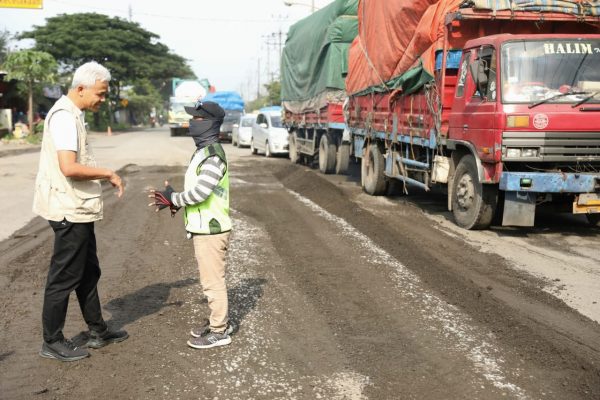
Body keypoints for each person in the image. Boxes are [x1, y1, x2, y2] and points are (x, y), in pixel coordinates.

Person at [33, 61, 128, 362]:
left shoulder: (74, 115)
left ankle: (98, 330)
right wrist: (108, 173)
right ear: (81, 88)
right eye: (100, 94)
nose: (102, 99)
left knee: (88, 272)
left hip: (77, 208)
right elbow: (69, 167)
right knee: (64, 276)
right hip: (67, 209)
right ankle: (52, 341)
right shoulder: (64, 117)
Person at [149, 100, 234, 349]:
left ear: (208, 123)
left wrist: (173, 199)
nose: (190, 124)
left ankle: (220, 331)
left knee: (212, 282)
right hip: (203, 227)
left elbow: (200, 194)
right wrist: (175, 200)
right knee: (210, 279)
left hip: (211, 229)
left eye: (196, 120)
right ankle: (218, 322)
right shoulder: (203, 152)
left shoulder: (213, 156)